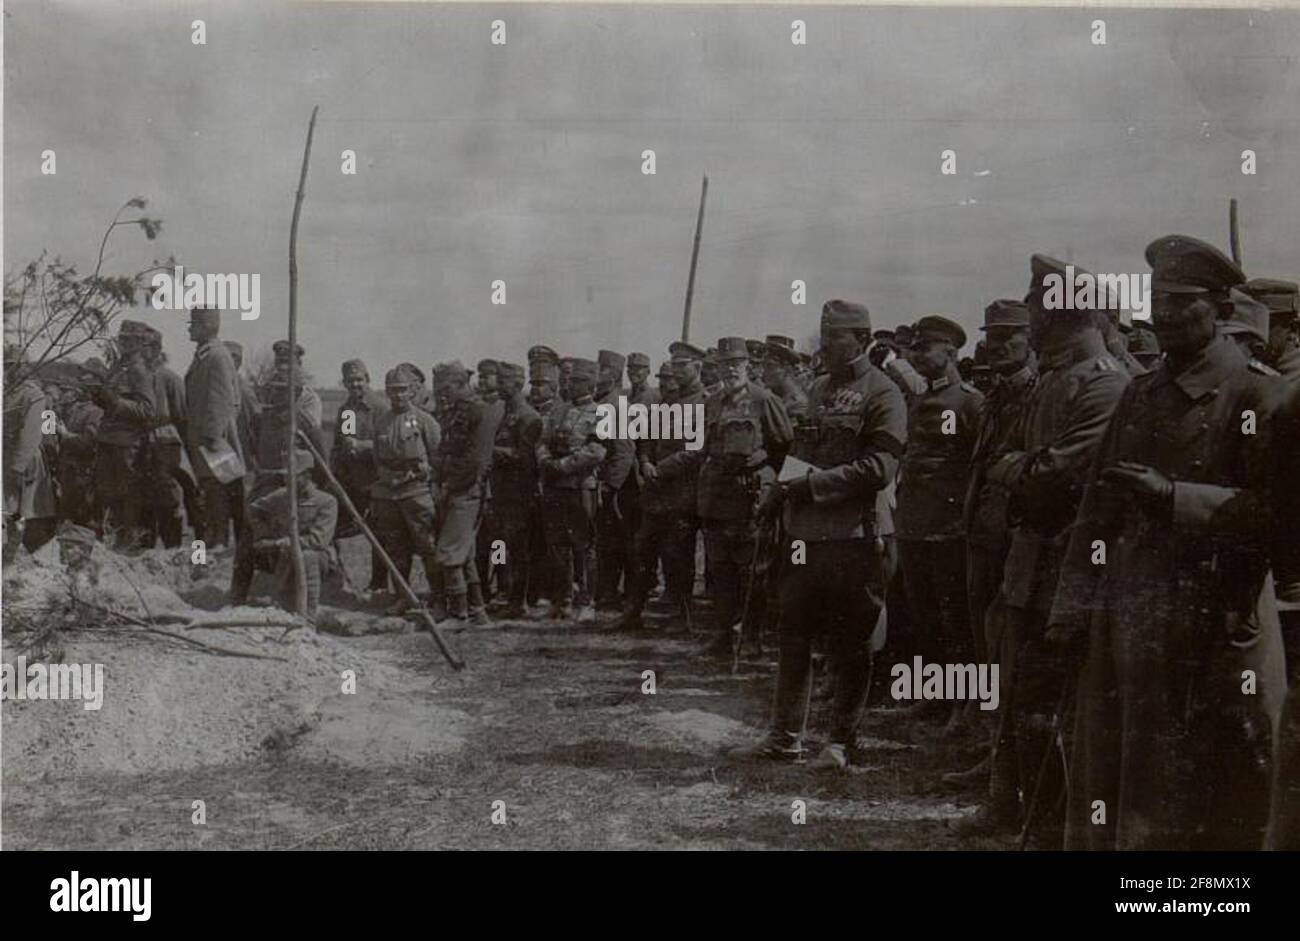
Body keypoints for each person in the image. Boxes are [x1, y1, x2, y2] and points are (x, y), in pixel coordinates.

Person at [1051, 235, 1287, 850]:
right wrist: (1072, 606)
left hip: (1218, 617)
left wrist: (1172, 496)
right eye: (1157, 301)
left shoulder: (1257, 394)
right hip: (1132, 610)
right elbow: (1095, 510)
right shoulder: (1140, 392)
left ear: (1217, 309)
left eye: (1180, 303)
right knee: (1125, 765)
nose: (1163, 316)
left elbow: (1277, 515)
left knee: (1219, 772)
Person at [732, 299, 906, 769]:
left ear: (863, 339)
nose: (825, 345)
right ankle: (784, 736)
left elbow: (879, 467)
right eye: (824, 334)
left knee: (851, 644)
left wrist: (810, 486)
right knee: (795, 637)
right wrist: (778, 493)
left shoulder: (883, 394)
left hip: (856, 535)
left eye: (836, 337)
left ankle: (839, 743)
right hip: (806, 535)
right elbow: (799, 451)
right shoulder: (817, 389)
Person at [655, 336, 793, 656]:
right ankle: (722, 634)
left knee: (751, 572)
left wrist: (769, 486)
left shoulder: (764, 400)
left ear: (747, 366)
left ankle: (750, 636)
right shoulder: (711, 403)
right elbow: (701, 448)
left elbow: (784, 447)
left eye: (736, 364)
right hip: (715, 498)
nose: (730, 371)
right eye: (724, 365)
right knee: (720, 571)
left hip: (748, 499)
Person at [947, 299, 1037, 788]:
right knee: (987, 641)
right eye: (993, 337)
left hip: (1012, 536)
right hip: (984, 532)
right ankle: (991, 745)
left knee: (1009, 650)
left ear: (1031, 340)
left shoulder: (1036, 392)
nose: (997, 346)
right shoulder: (998, 393)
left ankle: (1004, 760)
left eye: (1009, 337)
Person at [894, 315, 983, 728]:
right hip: (914, 524)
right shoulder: (919, 400)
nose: (916, 355)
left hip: (949, 529)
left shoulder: (969, 402)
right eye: (914, 348)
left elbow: (975, 466)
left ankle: (964, 705)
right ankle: (935, 696)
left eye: (925, 347)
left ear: (950, 352)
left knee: (955, 618)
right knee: (923, 614)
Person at [613, 342, 706, 631]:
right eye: (673, 366)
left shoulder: (705, 403)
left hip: (681, 493)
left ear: (697, 367)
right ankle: (632, 612)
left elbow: (696, 450)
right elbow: (646, 442)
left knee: (678, 556)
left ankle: (681, 615)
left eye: (682, 366)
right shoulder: (665, 404)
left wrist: (660, 468)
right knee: (642, 552)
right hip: (654, 494)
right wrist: (644, 462)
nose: (676, 372)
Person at [366, 365, 441, 616]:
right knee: (396, 548)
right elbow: (377, 458)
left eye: (402, 390)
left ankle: (438, 597)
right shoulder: (382, 422)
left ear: (412, 391)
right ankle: (402, 597)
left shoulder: (425, 421)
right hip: (388, 493)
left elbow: (437, 457)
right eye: (392, 391)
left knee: (428, 546)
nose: (398, 395)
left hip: (417, 493)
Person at [536, 357, 607, 621]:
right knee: (557, 545)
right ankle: (563, 599)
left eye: (577, 380)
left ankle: (586, 601)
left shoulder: (602, 413)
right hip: (554, 486)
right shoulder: (558, 411)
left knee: (583, 545)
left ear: (589, 383)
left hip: (580, 487)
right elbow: (541, 441)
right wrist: (545, 462)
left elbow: (596, 451)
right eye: (570, 379)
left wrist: (563, 466)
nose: (570, 384)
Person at [431, 361, 498, 626]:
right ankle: (478, 612)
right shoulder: (458, 410)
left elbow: (475, 461)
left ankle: (459, 615)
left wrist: (449, 485)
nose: (441, 393)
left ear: (461, 385)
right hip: (455, 487)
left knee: (449, 552)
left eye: (446, 387)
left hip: (466, 489)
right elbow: (446, 448)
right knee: (464, 553)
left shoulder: (478, 411)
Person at [480, 362, 541, 618]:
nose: (499, 385)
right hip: (499, 492)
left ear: (516, 384)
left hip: (517, 494)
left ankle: (518, 601)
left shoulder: (528, 417)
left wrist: (494, 452)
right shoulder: (503, 413)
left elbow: (526, 458)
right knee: (498, 545)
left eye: (504, 382)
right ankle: (503, 590)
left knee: (517, 548)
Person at [247, 449, 338, 619]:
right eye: (285, 475)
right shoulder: (281, 496)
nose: (286, 479)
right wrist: (265, 534)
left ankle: (309, 618)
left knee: (308, 556)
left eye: (292, 475)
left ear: (307, 476)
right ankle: (280, 610)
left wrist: (283, 542)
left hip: (319, 559)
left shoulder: (326, 501)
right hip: (284, 555)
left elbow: (318, 541)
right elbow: (253, 511)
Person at [93, 321, 158, 548]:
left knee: (127, 493)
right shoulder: (119, 367)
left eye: (130, 340)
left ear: (141, 343)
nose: (124, 344)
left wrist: (116, 402)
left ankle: (128, 539)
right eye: (122, 339)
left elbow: (148, 410)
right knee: (106, 492)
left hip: (126, 441)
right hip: (108, 437)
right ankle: (115, 537)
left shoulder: (139, 371)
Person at [184, 307, 243, 548]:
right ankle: (215, 540)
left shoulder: (216, 356)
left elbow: (223, 399)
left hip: (213, 441)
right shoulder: (205, 354)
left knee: (218, 493)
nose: (190, 328)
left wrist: (212, 438)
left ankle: (220, 543)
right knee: (211, 493)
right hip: (207, 439)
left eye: (194, 324)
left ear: (207, 326)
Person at [330, 358, 389, 594]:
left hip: (376, 482)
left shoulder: (381, 408)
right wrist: (335, 471)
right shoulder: (347, 410)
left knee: (379, 536)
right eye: (350, 380)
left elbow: (389, 446)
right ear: (344, 383)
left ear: (368, 380)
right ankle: (339, 580)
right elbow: (342, 443)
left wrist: (363, 446)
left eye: (360, 380)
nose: (356, 384)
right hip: (350, 483)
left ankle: (379, 585)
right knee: (331, 528)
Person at [593, 349, 638, 610]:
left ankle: (619, 595)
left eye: (603, 371)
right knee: (609, 543)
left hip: (618, 488)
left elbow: (623, 452)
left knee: (617, 543)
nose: (598, 376)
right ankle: (608, 592)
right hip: (611, 485)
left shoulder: (615, 405)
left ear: (614, 375)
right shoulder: (606, 402)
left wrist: (609, 487)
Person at [3, 346, 58, 554]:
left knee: (31, 509)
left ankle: (35, 552)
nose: (9, 371)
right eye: (6, 366)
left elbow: (37, 432)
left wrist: (19, 464)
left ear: (25, 368)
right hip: (9, 456)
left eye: (14, 366)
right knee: (11, 509)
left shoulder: (35, 395)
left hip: (27, 459)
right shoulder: (8, 393)